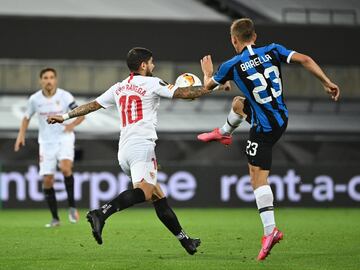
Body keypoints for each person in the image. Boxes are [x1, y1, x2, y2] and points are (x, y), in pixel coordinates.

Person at [47, 47, 226, 255]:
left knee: (157, 196)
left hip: (124, 150)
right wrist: (210, 83)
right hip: (142, 146)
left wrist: (65, 116)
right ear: (143, 65)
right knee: (146, 192)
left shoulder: (119, 87)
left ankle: (186, 240)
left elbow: (92, 105)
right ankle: (101, 213)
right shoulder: (152, 83)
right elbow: (184, 93)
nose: (153, 66)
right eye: (151, 62)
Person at [197, 18, 340, 260]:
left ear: (234, 40)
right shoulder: (273, 49)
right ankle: (224, 132)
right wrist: (327, 83)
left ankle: (270, 231)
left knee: (257, 179)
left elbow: (205, 89)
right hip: (281, 117)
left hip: (265, 128)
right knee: (239, 104)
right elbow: (305, 59)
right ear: (254, 36)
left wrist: (209, 74)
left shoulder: (231, 64)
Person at [14, 68, 85, 227]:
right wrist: (21, 136)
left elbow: (81, 114)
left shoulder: (65, 96)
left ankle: (72, 207)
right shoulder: (34, 99)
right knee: (47, 180)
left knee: (66, 168)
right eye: (45, 78)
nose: (49, 80)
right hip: (46, 143)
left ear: (56, 80)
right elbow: (26, 118)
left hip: (64, 138)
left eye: (51, 77)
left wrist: (71, 125)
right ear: (41, 81)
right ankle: (55, 219)